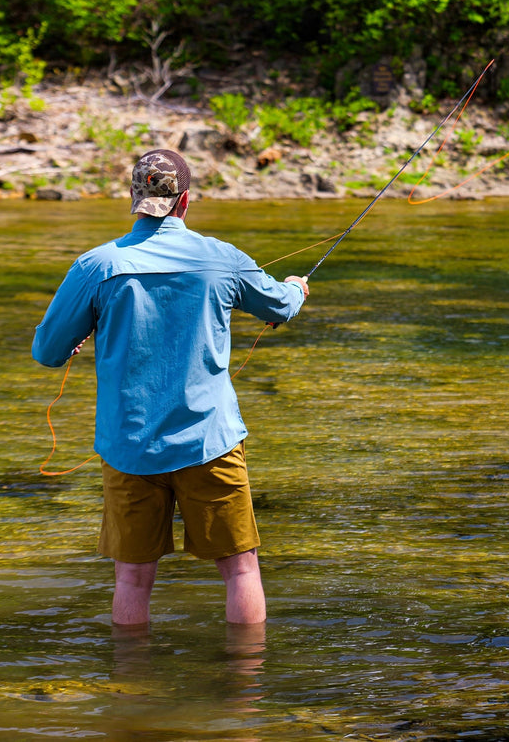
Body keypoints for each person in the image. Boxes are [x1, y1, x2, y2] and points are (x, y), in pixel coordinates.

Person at [32, 149, 309, 629]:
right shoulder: (222, 258)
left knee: (132, 580)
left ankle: (132, 689)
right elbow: (280, 308)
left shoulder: (96, 266)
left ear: (134, 200)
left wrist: (78, 337)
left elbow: (47, 351)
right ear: (184, 202)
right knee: (241, 569)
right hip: (210, 443)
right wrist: (296, 288)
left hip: (129, 448)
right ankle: (245, 691)